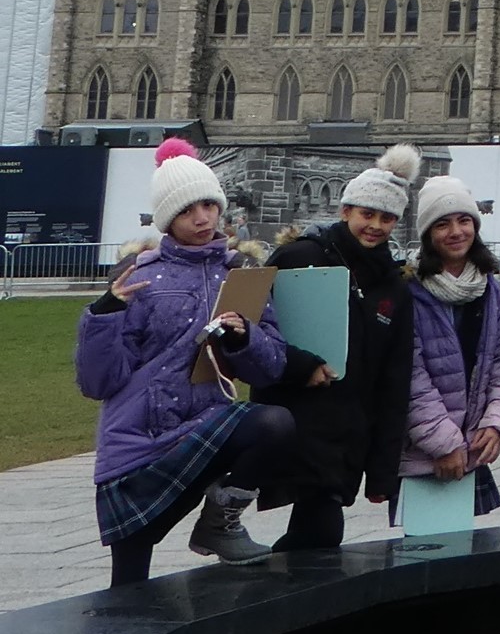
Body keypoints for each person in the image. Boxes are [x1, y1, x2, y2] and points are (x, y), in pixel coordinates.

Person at [77, 140, 297, 585]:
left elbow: (270, 368)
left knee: (276, 424)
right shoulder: (137, 278)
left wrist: (245, 337)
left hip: (208, 426)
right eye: (187, 210)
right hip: (141, 441)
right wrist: (103, 315)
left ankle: (219, 520)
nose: (202, 218)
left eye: (209, 205)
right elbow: (99, 382)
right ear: (167, 219)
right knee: (130, 581)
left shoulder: (241, 276)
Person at [257, 143, 420, 550]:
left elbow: (394, 381)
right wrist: (301, 367)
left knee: (314, 538)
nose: (376, 225)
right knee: (321, 532)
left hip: (350, 432)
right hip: (297, 420)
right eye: (367, 213)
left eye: (387, 217)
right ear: (346, 211)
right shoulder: (299, 257)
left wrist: (383, 472)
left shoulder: (393, 287)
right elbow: (257, 333)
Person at [397, 171, 500, 521]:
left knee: (469, 560)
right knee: (425, 560)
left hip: (472, 447)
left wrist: (496, 424)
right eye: (442, 224)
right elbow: (410, 376)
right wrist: (445, 443)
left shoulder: (489, 288)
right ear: (427, 234)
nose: (455, 232)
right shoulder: (410, 291)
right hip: (427, 450)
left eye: (464, 220)